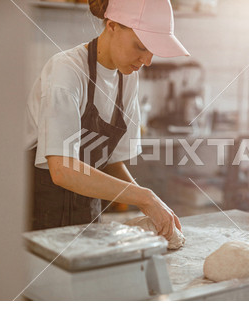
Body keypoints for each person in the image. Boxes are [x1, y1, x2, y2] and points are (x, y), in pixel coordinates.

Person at [25, 0, 189, 240]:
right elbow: (62, 170)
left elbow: (110, 162)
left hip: (88, 218)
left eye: (153, 51)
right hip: (38, 218)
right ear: (112, 26)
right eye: (141, 46)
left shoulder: (128, 78)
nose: (147, 61)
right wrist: (145, 197)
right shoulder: (67, 70)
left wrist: (148, 203)